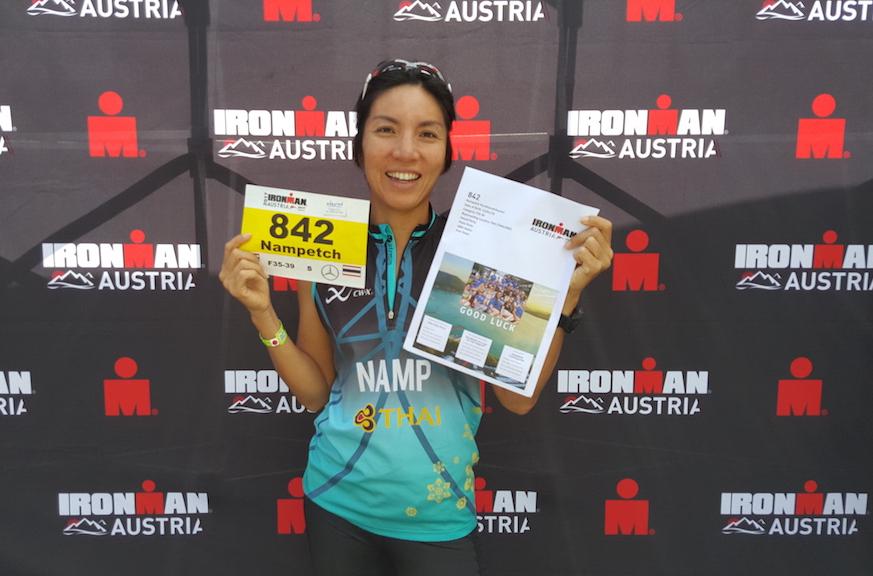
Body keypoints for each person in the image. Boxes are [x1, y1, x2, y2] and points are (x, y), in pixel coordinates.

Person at [220, 59, 614, 576]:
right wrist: (263, 315)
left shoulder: (480, 251)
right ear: (359, 144)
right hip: (336, 500)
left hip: (439, 515)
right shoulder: (324, 242)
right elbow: (317, 393)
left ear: (447, 151)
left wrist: (564, 300)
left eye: (427, 133)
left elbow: (516, 400)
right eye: (386, 129)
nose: (405, 151)